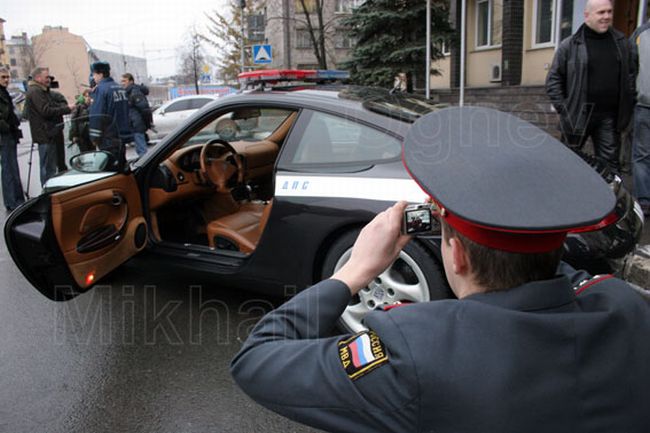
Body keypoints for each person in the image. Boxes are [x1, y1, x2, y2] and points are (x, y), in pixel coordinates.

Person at [230, 106, 650, 433]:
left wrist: (355, 270)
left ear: (458, 257)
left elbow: (257, 360)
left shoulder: (419, 351)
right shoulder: (623, 307)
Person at [545, 0, 635, 175]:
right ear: (587, 15)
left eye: (609, 12)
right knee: (568, 161)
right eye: (601, 13)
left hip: (609, 117)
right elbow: (553, 80)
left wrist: (628, 106)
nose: (607, 16)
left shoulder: (622, 43)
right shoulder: (570, 45)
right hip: (578, 115)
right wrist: (566, 109)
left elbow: (630, 76)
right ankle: (569, 199)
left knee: (610, 167)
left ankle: (612, 201)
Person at [24, 67, 74, 186]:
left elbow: (50, 106)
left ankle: (51, 190)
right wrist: (67, 109)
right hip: (45, 135)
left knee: (51, 166)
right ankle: (47, 193)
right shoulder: (35, 91)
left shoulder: (42, 91)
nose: (49, 80)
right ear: (38, 78)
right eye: (46, 77)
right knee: (48, 168)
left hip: (49, 133)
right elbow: (45, 110)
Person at [88, 61, 132, 164]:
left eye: (94, 74)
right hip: (121, 135)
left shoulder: (101, 90)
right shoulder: (119, 88)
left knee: (110, 170)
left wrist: (94, 137)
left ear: (100, 74)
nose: (93, 77)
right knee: (121, 165)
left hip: (108, 138)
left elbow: (97, 115)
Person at [631, 20, 650, 216]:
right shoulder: (640, 34)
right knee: (642, 155)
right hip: (645, 105)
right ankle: (644, 201)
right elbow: (630, 65)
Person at [0, 68, 25, 212]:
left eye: (8, 77)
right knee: (9, 169)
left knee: (13, 168)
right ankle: (12, 201)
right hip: (5, 135)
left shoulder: (5, 93)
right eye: (3, 77)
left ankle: (17, 199)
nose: (6, 80)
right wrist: (7, 127)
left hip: (10, 134)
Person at [121, 73, 152, 157]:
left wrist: (146, 124)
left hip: (137, 125)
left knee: (142, 151)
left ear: (131, 81)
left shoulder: (134, 92)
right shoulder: (128, 92)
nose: (122, 83)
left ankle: (146, 168)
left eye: (124, 81)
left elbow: (144, 109)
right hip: (134, 125)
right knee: (140, 149)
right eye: (121, 81)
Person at [49, 86, 70, 172]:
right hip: (45, 133)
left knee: (60, 158)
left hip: (57, 129)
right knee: (50, 162)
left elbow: (65, 107)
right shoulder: (36, 95)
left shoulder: (55, 95)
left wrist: (52, 107)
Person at [69, 89, 94, 153]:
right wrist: (75, 135)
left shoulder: (92, 106)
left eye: (90, 97)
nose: (89, 98)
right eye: (87, 96)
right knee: (84, 152)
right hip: (81, 134)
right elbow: (74, 121)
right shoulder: (79, 106)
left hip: (90, 134)